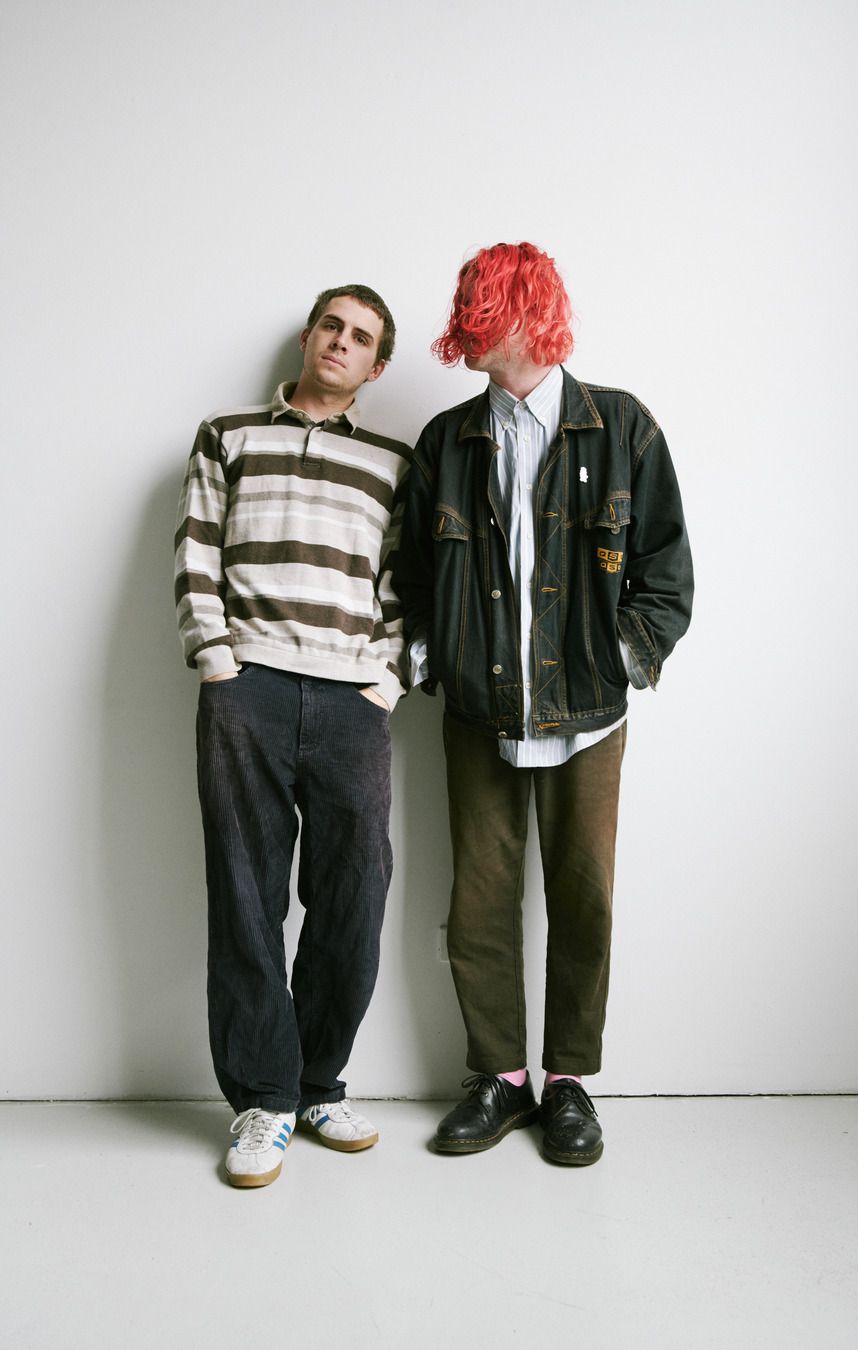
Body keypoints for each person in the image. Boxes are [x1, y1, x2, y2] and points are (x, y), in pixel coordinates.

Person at [394, 242, 693, 1166]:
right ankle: (499, 1077)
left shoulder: (623, 427)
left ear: (526, 313)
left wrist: (617, 655)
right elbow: (411, 574)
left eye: (479, 311)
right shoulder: (447, 440)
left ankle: (567, 1081)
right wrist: (432, 660)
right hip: (478, 710)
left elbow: (667, 572)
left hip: (590, 714)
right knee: (479, 899)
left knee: (584, 895)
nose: (464, 331)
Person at [175, 285, 411, 1187]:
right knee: (246, 892)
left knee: (357, 889)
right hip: (250, 689)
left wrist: (387, 682)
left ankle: (317, 1084)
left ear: (377, 366)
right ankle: (263, 1100)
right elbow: (196, 550)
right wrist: (218, 662)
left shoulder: (393, 462)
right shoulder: (228, 435)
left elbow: (409, 582)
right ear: (310, 337)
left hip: (353, 698)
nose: (342, 343)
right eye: (332, 327)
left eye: (362, 338)